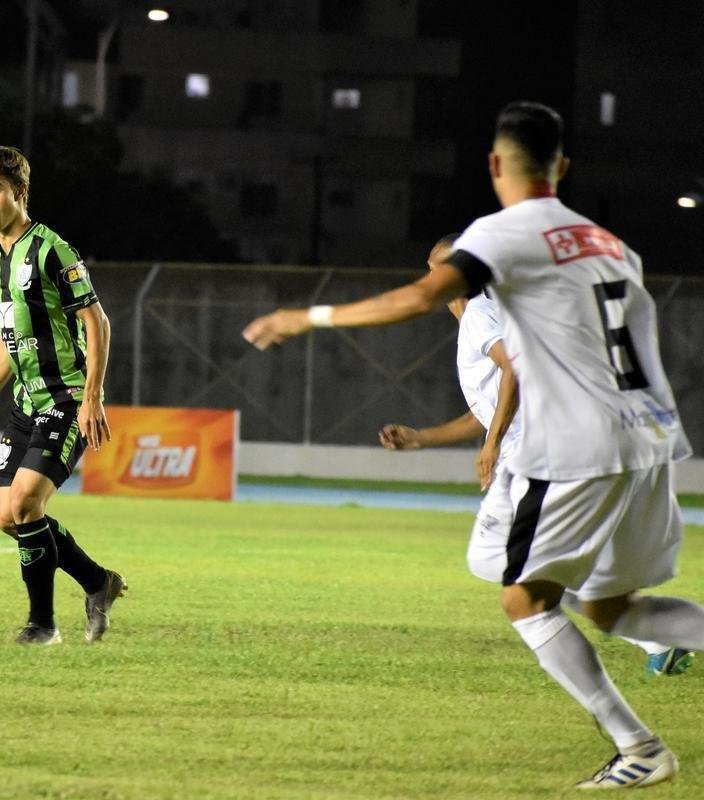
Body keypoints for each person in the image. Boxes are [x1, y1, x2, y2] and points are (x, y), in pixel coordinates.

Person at [243, 101, 704, 789]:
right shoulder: (611, 244)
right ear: (564, 166)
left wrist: (305, 315)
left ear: (495, 165)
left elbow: (423, 295)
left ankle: (639, 747)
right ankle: (640, 738)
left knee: (524, 598)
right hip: (650, 440)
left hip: (576, 449)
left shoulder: (506, 233)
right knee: (609, 606)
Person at [379, 234, 693, 678]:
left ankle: (652, 634)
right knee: (531, 568)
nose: (432, 278)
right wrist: (422, 438)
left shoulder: (481, 316)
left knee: (516, 570)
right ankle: (654, 634)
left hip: (531, 456)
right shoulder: (487, 315)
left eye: (440, 269)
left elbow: (515, 368)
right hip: (546, 450)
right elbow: (486, 409)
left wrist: (492, 446)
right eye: (431, 268)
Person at [0, 145, 126, 646]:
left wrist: (91, 396)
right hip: (26, 405)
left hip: (66, 399)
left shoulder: (53, 250)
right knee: (8, 518)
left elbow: (97, 322)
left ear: (19, 193)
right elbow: (11, 337)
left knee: (27, 503)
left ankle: (42, 626)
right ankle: (98, 582)